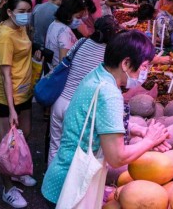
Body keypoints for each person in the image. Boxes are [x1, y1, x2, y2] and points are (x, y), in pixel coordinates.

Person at [41, 30, 170, 205]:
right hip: (71, 187)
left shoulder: (99, 74)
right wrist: (149, 140)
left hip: (62, 177)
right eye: (145, 66)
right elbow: (117, 158)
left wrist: (136, 129)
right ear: (126, 63)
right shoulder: (109, 93)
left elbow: (99, 119)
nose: (145, 72)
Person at [48, 16, 121, 164]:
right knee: (74, 154)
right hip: (78, 108)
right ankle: (65, 185)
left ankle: (49, 180)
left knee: (55, 147)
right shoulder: (109, 54)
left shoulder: (81, 42)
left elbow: (66, 62)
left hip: (60, 101)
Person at [0, 0, 36, 208]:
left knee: (24, 133)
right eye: (21, 11)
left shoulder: (21, 28)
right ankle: (7, 188)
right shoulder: (4, 36)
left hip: (24, 93)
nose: (26, 15)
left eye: (28, 11)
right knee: (6, 147)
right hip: (7, 97)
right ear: (10, 12)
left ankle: (17, 173)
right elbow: (5, 74)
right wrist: (11, 109)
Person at [44, 0, 85, 70]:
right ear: (68, 14)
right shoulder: (65, 32)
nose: (80, 21)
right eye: (78, 17)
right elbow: (63, 63)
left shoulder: (54, 23)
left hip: (51, 69)